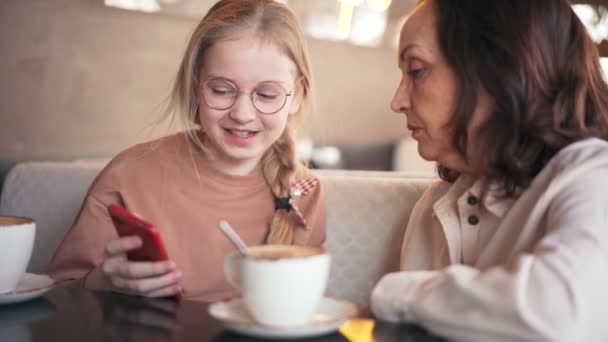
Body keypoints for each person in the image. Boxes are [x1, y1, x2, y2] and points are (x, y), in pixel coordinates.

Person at [48, 0, 325, 302]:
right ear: (195, 86)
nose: (243, 114)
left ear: (297, 95)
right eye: (221, 90)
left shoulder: (305, 193)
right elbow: (57, 297)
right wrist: (101, 281)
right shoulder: (129, 175)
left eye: (267, 94)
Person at [370, 0, 608, 341]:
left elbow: (560, 313)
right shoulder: (434, 208)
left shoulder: (594, 175)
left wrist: (397, 292)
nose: (398, 100)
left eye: (417, 70)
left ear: (498, 69)